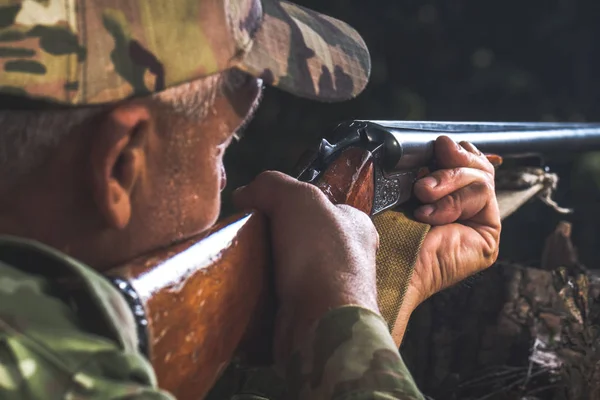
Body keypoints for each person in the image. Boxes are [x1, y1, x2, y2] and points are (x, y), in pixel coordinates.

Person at [0, 0, 500, 398]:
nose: (224, 182)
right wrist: (345, 310)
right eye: (222, 148)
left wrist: (390, 279)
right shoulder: (64, 372)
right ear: (120, 164)